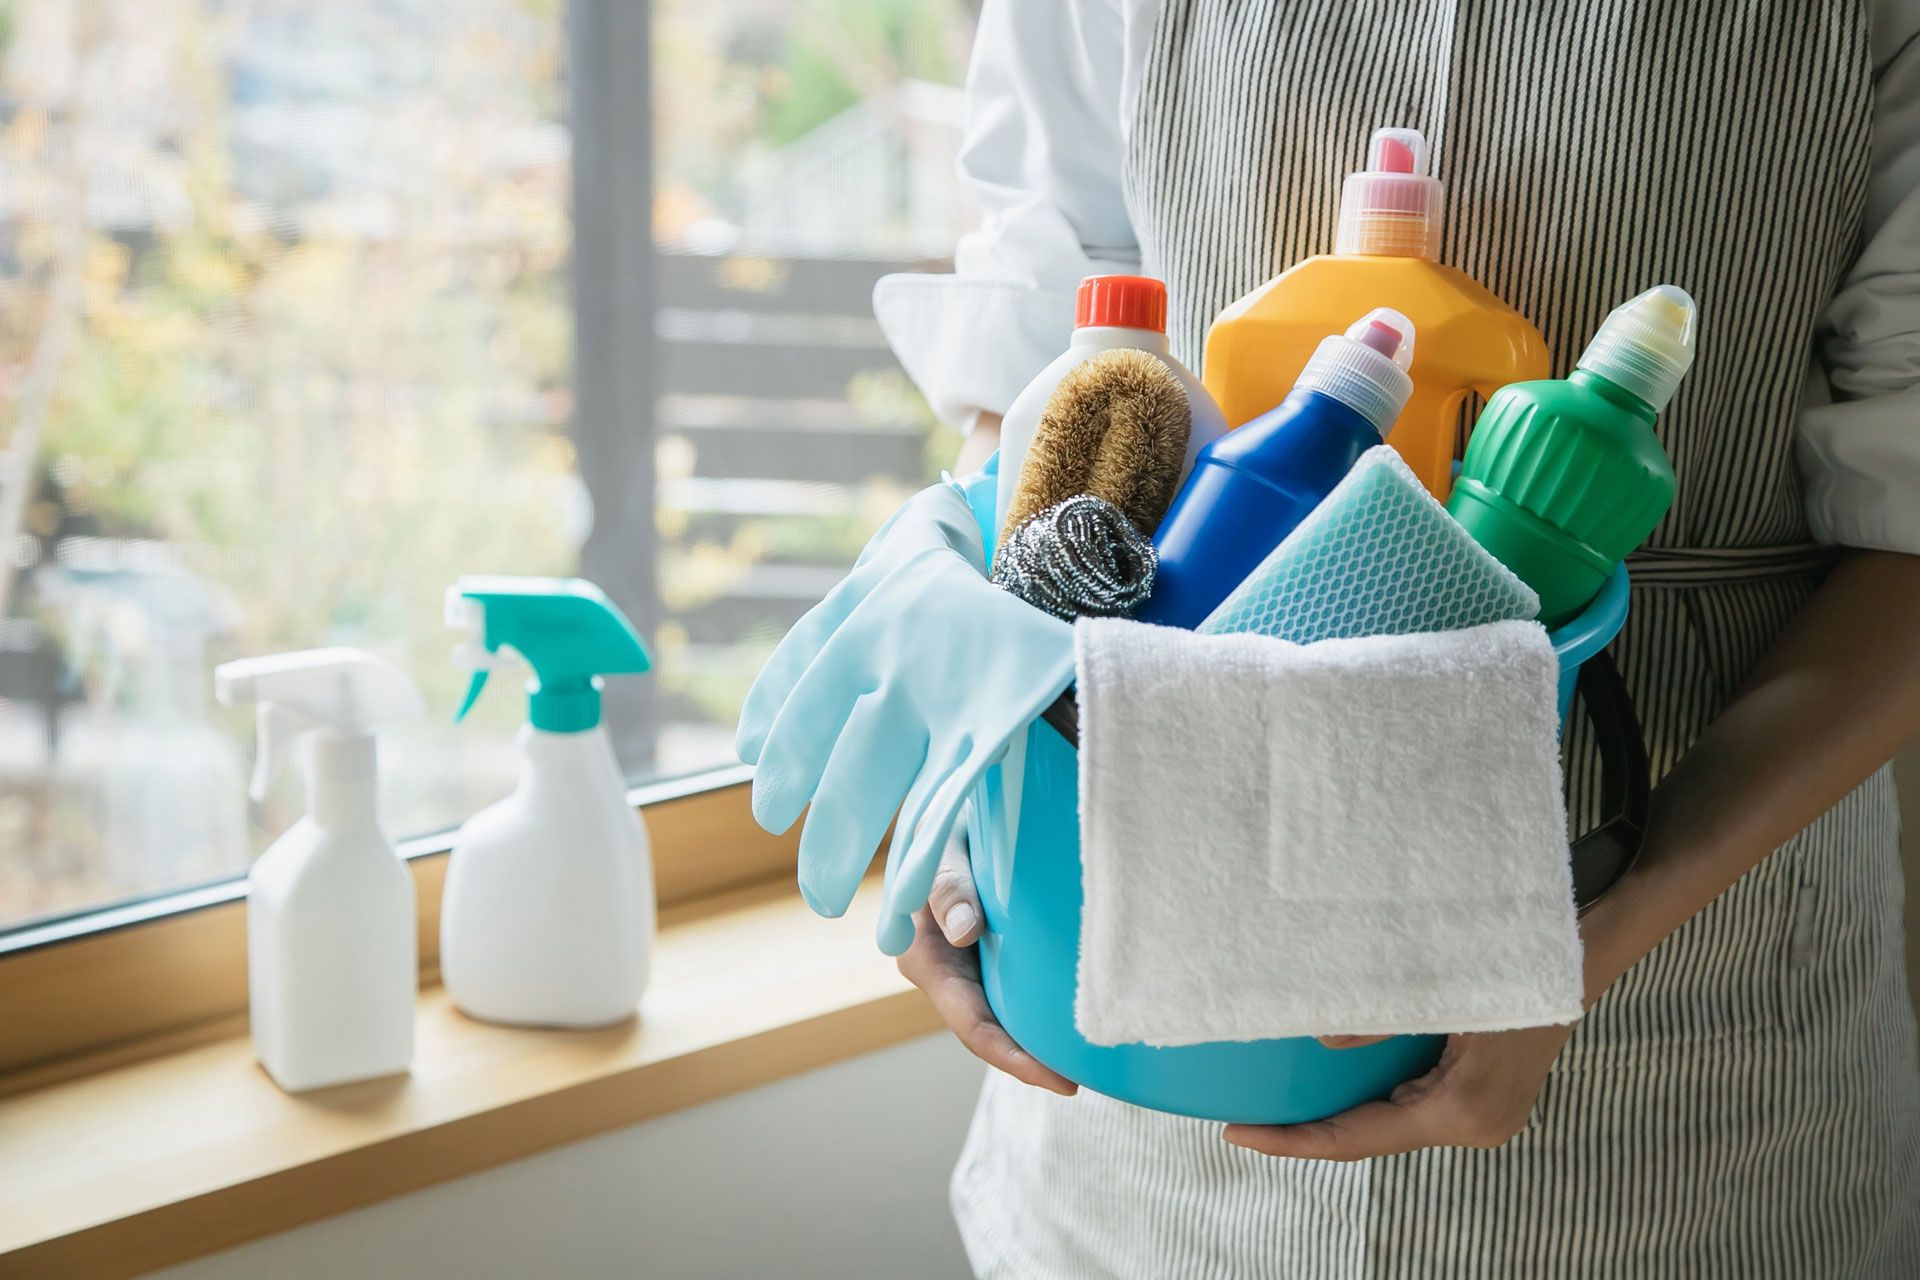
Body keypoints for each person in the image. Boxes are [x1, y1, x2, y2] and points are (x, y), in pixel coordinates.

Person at [869, 1, 1920, 1275]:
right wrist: (962, 766)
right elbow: (1052, 371)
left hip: (1686, 1012)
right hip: (1120, 1003)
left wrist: (1594, 932)